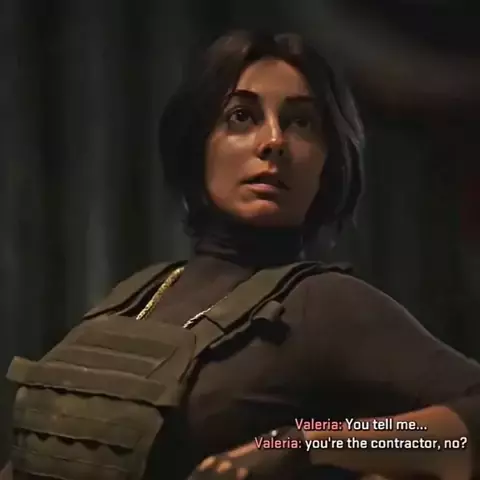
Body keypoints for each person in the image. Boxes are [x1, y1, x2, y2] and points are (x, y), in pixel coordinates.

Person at [3, 30, 480, 480]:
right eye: (241, 117)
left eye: (301, 122)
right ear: (199, 145)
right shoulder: (141, 292)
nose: (274, 141)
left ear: (328, 162)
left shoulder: (326, 304)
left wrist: (308, 442)